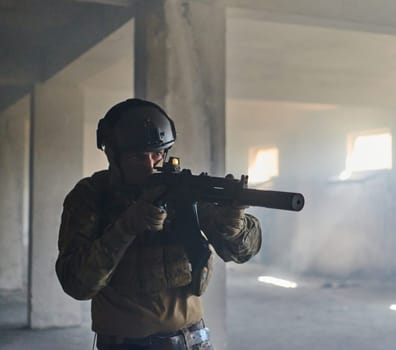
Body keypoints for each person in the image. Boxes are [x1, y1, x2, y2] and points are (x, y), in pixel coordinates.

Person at [55, 98, 262, 350]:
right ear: (112, 154)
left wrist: (235, 228)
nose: (150, 166)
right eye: (137, 157)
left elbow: (240, 253)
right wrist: (126, 227)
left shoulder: (180, 190)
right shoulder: (90, 196)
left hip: (191, 341)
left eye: (157, 155)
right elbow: (77, 284)